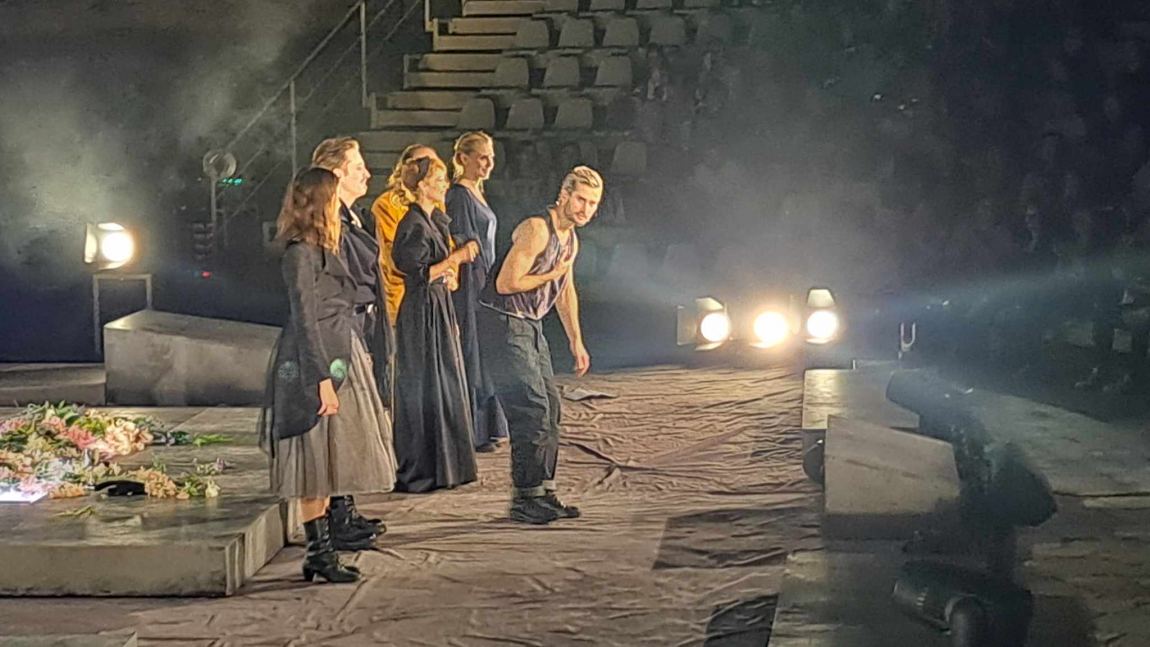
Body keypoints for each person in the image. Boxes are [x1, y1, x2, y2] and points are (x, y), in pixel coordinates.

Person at [259, 167, 397, 583]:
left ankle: (322, 551)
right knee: (313, 459)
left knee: (328, 458)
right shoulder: (300, 252)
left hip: (339, 352)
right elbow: (305, 320)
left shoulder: (325, 246)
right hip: (314, 362)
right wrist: (320, 379)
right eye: (334, 199)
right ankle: (318, 552)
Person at [477, 166, 603, 524]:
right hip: (503, 320)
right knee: (530, 407)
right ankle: (525, 497)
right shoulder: (537, 229)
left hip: (530, 323)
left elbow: (565, 291)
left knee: (550, 407)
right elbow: (506, 283)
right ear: (563, 195)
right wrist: (552, 274)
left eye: (592, 203)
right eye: (580, 200)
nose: (585, 209)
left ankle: (543, 492)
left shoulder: (571, 239)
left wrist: (576, 340)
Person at [311, 137, 393, 547]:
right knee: (341, 421)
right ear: (336, 172)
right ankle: (335, 519)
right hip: (338, 328)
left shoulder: (351, 216)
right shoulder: (326, 223)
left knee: (353, 420)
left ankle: (345, 507)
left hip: (357, 322)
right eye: (358, 166)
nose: (366, 174)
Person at [392, 156, 482, 492]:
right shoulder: (412, 224)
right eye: (439, 178)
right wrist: (456, 258)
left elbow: (440, 272)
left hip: (438, 306)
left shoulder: (434, 221)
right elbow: (417, 275)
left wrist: (450, 273)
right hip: (422, 311)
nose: (444, 184)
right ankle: (424, 467)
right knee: (426, 384)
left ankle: (448, 466)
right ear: (421, 185)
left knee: (445, 381)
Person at [446, 131, 510, 453]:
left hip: (485, 281)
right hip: (472, 283)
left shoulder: (477, 192)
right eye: (482, 157)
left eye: (491, 158)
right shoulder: (459, 196)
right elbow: (464, 243)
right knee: (473, 351)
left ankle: (490, 426)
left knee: (484, 351)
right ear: (463, 158)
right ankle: (475, 429)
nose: (488, 164)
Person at [370, 143, 444, 326]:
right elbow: (394, 259)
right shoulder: (386, 205)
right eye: (422, 163)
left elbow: (446, 247)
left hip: (435, 299)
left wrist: (450, 272)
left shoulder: (437, 206)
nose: (429, 167)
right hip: (403, 302)